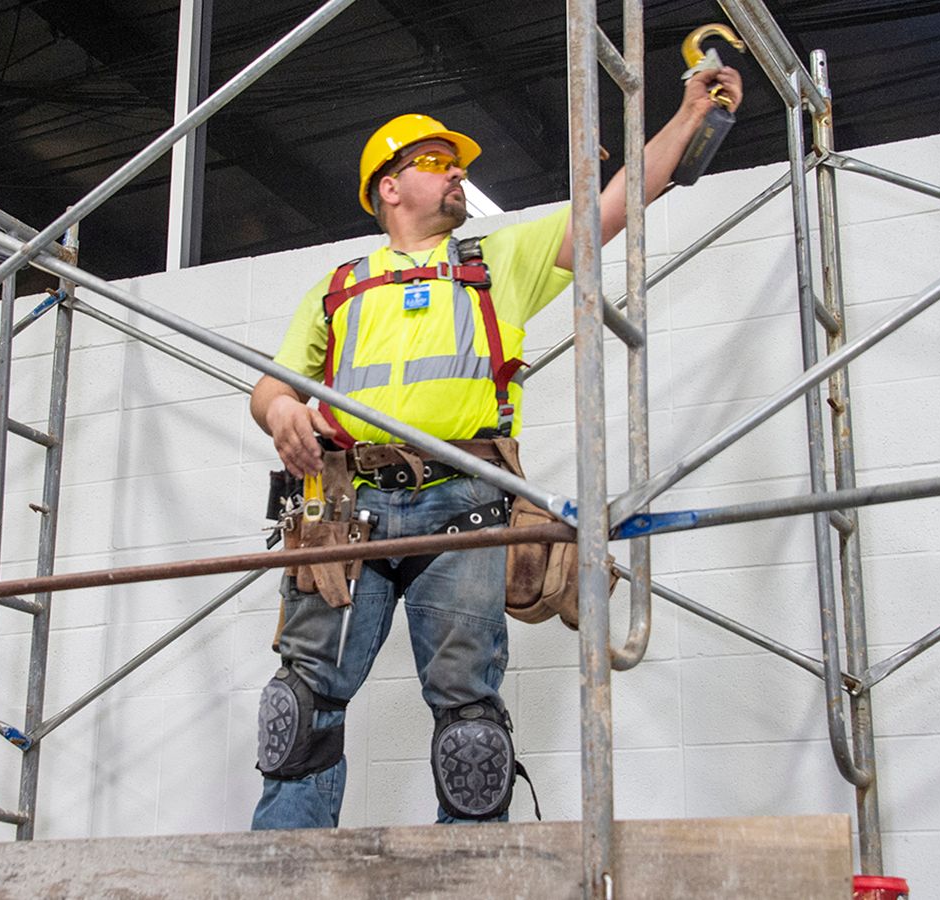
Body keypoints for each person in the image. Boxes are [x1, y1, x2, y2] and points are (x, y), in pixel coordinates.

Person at [249, 65, 743, 829]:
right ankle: (277, 873)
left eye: (460, 167)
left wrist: (687, 117)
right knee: (301, 702)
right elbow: (268, 388)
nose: (458, 175)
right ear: (390, 186)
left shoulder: (497, 262)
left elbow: (616, 202)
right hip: (347, 506)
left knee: (469, 725)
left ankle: (470, 875)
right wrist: (281, 409)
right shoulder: (338, 284)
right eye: (438, 163)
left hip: (464, 501)